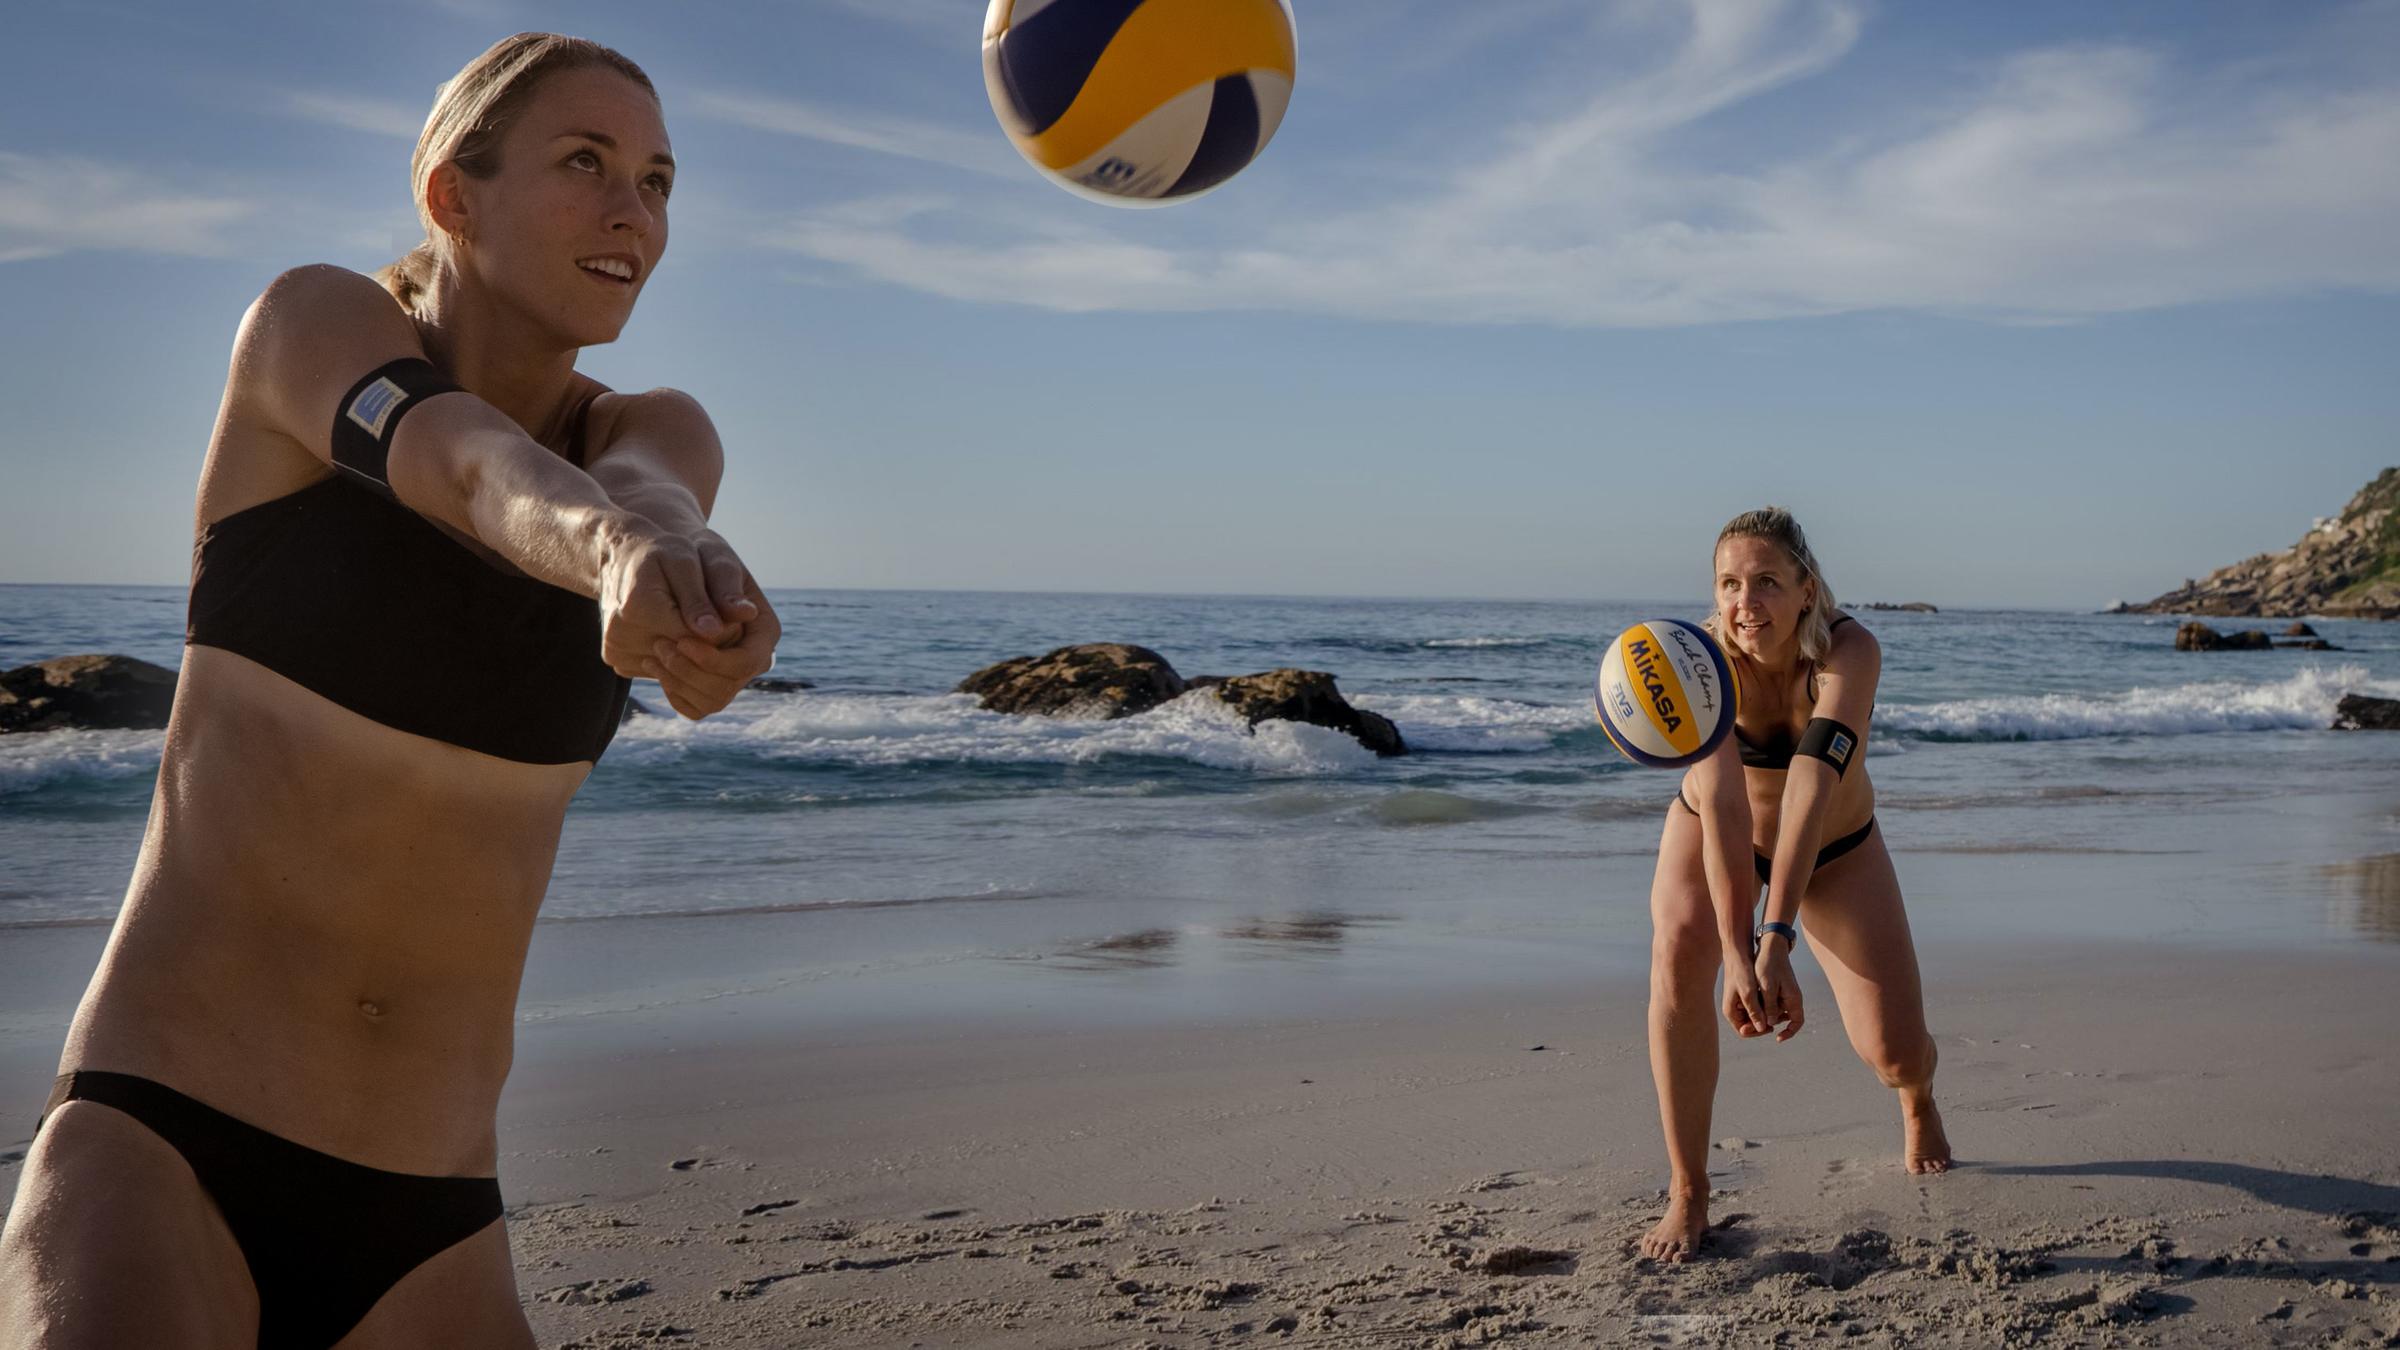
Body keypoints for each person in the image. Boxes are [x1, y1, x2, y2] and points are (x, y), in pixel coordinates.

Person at [0, 33, 779, 1348]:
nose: (629, 212)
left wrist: (699, 593)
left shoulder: (656, 430)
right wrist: (612, 553)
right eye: (583, 163)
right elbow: (466, 463)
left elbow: (647, 493)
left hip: (433, 1216)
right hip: (164, 1146)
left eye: (656, 181)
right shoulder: (309, 332)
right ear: (450, 194)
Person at [1637, 507, 1949, 1263]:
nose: (1747, 604)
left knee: (1895, 1050)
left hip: (1838, 846)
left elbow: (1812, 781)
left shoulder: (1850, 651)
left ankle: (1917, 1101)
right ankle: (1688, 1189)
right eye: (1731, 585)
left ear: (1806, 589)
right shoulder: (1699, 659)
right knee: (1681, 952)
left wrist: (1775, 938)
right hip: (1723, 834)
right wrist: (1738, 951)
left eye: (1768, 582)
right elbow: (1722, 801)